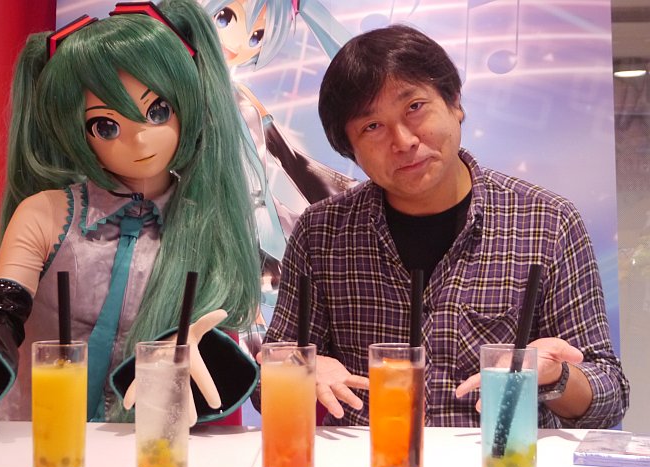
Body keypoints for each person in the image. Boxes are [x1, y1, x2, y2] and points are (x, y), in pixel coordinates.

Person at [0, 0, 261, 424]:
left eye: (157, 111)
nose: (141, 140)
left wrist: (204, 357)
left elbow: (214, 327)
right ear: (77, 131)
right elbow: (2, 312)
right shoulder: (46, 215)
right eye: (106, 125)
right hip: (40, 438)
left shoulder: (206, 224)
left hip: (150, 441)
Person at [259, 24, 630, 428]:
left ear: (455, 103)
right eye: (372, 127)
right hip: (369, 464)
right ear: (351, 151)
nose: (403, 140)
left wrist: (556, 377)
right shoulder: (321, 233)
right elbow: (268, 384)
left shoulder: (547, 222)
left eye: (415, 107)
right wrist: (300, 370)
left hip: (496, 462)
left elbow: (608, 395)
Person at [201, 0, 357, 349]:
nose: (240, 43)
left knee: (263, 310)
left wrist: (334, 193)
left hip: (255, 215)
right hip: (208, 218)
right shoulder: (182, 94)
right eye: (226, 18)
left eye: (256, 38)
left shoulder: (241, 97)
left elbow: (283, 155)